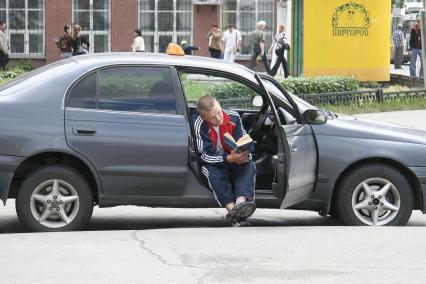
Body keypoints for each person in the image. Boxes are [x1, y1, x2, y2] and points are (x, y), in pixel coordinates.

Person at [193, 95, 256, 227]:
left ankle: (240, 204)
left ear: (220, 106)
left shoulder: (234, 117)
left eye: (218, 112)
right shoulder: (199, 124)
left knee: (249, 165)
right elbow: (204, 155)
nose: (218, 118)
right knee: (214, 174)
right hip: (215, 162)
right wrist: (227, 158)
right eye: (212, 117)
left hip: (234, 158)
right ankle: (233, 210)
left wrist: (244, 155)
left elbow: (243, 140)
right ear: (204, 117)